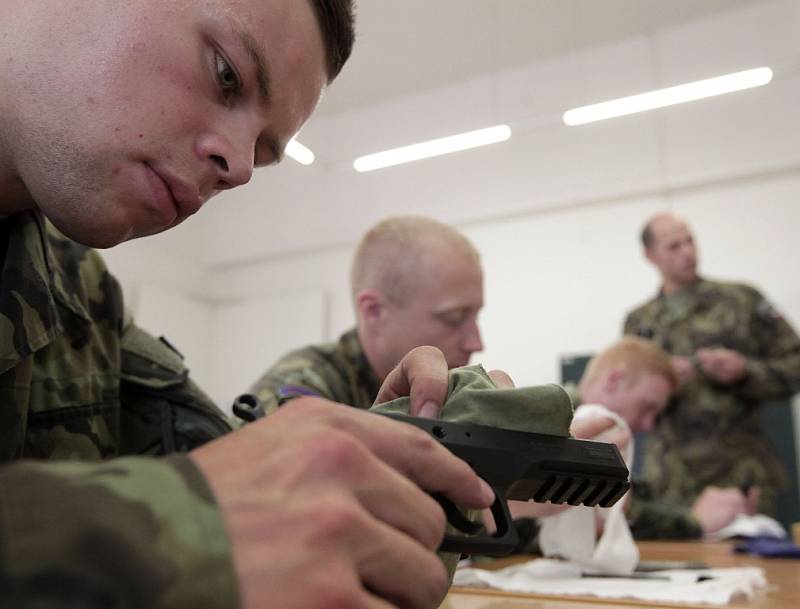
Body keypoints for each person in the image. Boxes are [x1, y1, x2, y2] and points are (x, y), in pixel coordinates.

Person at [0, 2, 499, 609]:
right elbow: (205, 514)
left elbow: (261, 514)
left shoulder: (80, 297)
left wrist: (398, 470)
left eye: (262, 152)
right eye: (225, 72)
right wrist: (173, 535)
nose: (238, 168)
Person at [623, 212, 800, 515]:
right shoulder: (638, 322)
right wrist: (662, 381)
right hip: (670, 483)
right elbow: (626, 400)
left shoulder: (742, 300)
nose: (687, 252)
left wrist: (745, 371)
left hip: (739, 476)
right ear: (651, 256)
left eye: (689, 241)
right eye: (673, 246)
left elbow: (795, 366)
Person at [505, 338, 757, 546]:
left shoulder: (585, 426)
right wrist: (694, 522)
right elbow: (616, 513)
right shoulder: (548, 424)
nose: (648, 424)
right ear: (614, 381)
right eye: (647, 408)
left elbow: (630, 504)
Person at [250, 215, 484, 416]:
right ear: (375, 311)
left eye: (475, 316)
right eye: (453, 318)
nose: (476, 343)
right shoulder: (301, 385)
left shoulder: (447, 393)